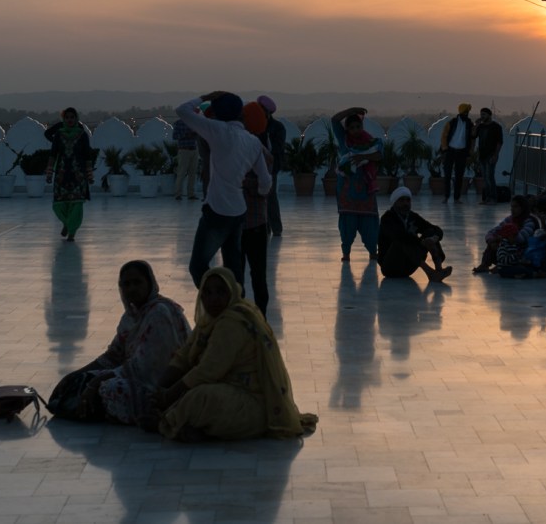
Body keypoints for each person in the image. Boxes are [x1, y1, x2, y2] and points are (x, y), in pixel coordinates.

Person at [149, 267, 318, 441]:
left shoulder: (232, 322)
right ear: (202, 296)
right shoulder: (209, 321)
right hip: (228, 389)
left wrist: (167, 396)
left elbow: (208, 371)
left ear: (232, 292)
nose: (214, 298)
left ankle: (168, 423)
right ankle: (189, 426)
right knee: (185, 388)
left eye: (221, 292)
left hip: (252, 403)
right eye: (208, 292)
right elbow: (183, 357)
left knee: (200, 397)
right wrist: (159, 390)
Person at [49, 261, 190, 424]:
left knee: (109, 389)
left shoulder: (160, 313)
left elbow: (143, 368)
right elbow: (113, 356)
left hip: (162, 385)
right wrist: (75, 375)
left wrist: (95, 383)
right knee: (79, 381)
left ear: (150, 283)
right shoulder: (131, 315)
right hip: (135, 376)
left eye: (137, 283)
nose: (131, 289)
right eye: (126, 284)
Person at [176, 92, 271, 288]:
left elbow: (182, 111)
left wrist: (204, 97)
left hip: (217, 209)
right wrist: (261, 193)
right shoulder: (252, 141)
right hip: (239, 210)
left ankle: (216, 298)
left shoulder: (217, 129)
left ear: (218, 114)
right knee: (233, 270)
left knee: (198, 266)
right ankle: (235, 307)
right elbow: (265, 180)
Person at [330, 107, 382, 262]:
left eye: (358, 126)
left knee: (369, 224)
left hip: (366, 191)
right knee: (347, 223)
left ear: (362, 126)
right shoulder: (344, 140)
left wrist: (362, 156)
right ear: (347, 129)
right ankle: (346, 253)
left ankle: (373, 251)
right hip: (348, 192)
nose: (355, 130)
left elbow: (379, 155)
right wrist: (353, 110)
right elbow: (334, 120)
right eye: (351, 127)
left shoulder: (371, 142)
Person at [239, 101, 272, 318]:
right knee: (254, 275)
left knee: (243, 275)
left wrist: (243, 184)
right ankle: (256, 318)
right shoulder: (261, 148)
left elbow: (265, 185)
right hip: (254, 223)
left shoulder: (256, 149)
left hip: (247, 222)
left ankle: (252, 317)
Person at [378, 187, 453, 282]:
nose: (405, 204)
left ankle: (438, 269)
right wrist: (421, 242)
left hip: (409, 265)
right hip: (391, 268)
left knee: (430, 233)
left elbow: (435, 229)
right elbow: (400, 236)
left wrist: (433, 238)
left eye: (408, 200)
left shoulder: (412, 216)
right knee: (401, 241)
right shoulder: (387, 218)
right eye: (401, 200)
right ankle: (430, 273)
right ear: (395, 202)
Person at [43, 107, 94, 241]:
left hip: (78, 174)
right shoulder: (59, 135)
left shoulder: (82, 134)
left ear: (76, 119)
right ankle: (67, 223)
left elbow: (87, 155)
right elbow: (53, 155)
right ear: (63, 119)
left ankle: (72, 232)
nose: (70, 120)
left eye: (72, 117)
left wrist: (89, 175)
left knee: (76, 204)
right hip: (62, 173)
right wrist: (49, 173)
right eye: (67, 117)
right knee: (59, 204)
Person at [474, 195, 540, 273]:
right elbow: (492, 232)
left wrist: (502, 237)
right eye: (511, 207)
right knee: (493, 242)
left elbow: (520, 238)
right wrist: (492, 240)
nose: (512, 210)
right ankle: (485, 264)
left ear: (523, 208)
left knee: (504, 244)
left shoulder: (529, 221)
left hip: (522, 252)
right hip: (508, 249)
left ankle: (501, 265)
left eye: (515, 207)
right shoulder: (510, 219)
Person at [257, 95, 286, 236]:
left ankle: (276, 228)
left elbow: (277, 148)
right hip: (255, 166)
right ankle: (264, 227)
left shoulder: (277, 127)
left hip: (270, 167)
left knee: (270, 196)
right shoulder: (255, 126)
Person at [438, 103, 474, 203]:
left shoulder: (469, 124)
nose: (466, 114)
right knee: (447, 175)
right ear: (461, 112)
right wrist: (445, 149)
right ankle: (446, 196)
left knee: (459, 176)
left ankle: (456, 198)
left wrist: (470, 152)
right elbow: (444, 136)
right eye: (465, 112)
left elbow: (472, 139)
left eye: (467, 112)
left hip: (462, 152)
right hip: (450, 151)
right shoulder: (452, 123)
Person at [474, 107, 503, 204]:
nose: (482, 116)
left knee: (490, 176)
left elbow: (499, 142)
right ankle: (487, 198)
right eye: (481, 114)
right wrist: (476, 125)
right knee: (485, 178)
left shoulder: (496, 127)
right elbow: (473, 135)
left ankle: (493, 198)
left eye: (484, 114)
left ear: (489, 115)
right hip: (482, 155)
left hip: (491, 155)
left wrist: (495, 155)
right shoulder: (481, 126)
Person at [172, 115, 199, 200]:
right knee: (181, 173)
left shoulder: (194, 123)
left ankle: (191, 194)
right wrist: (186, 134)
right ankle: (178, 194)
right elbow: (175, 136)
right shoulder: (179, 123)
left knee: (192, 173)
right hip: (184, 150)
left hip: (194, 150)